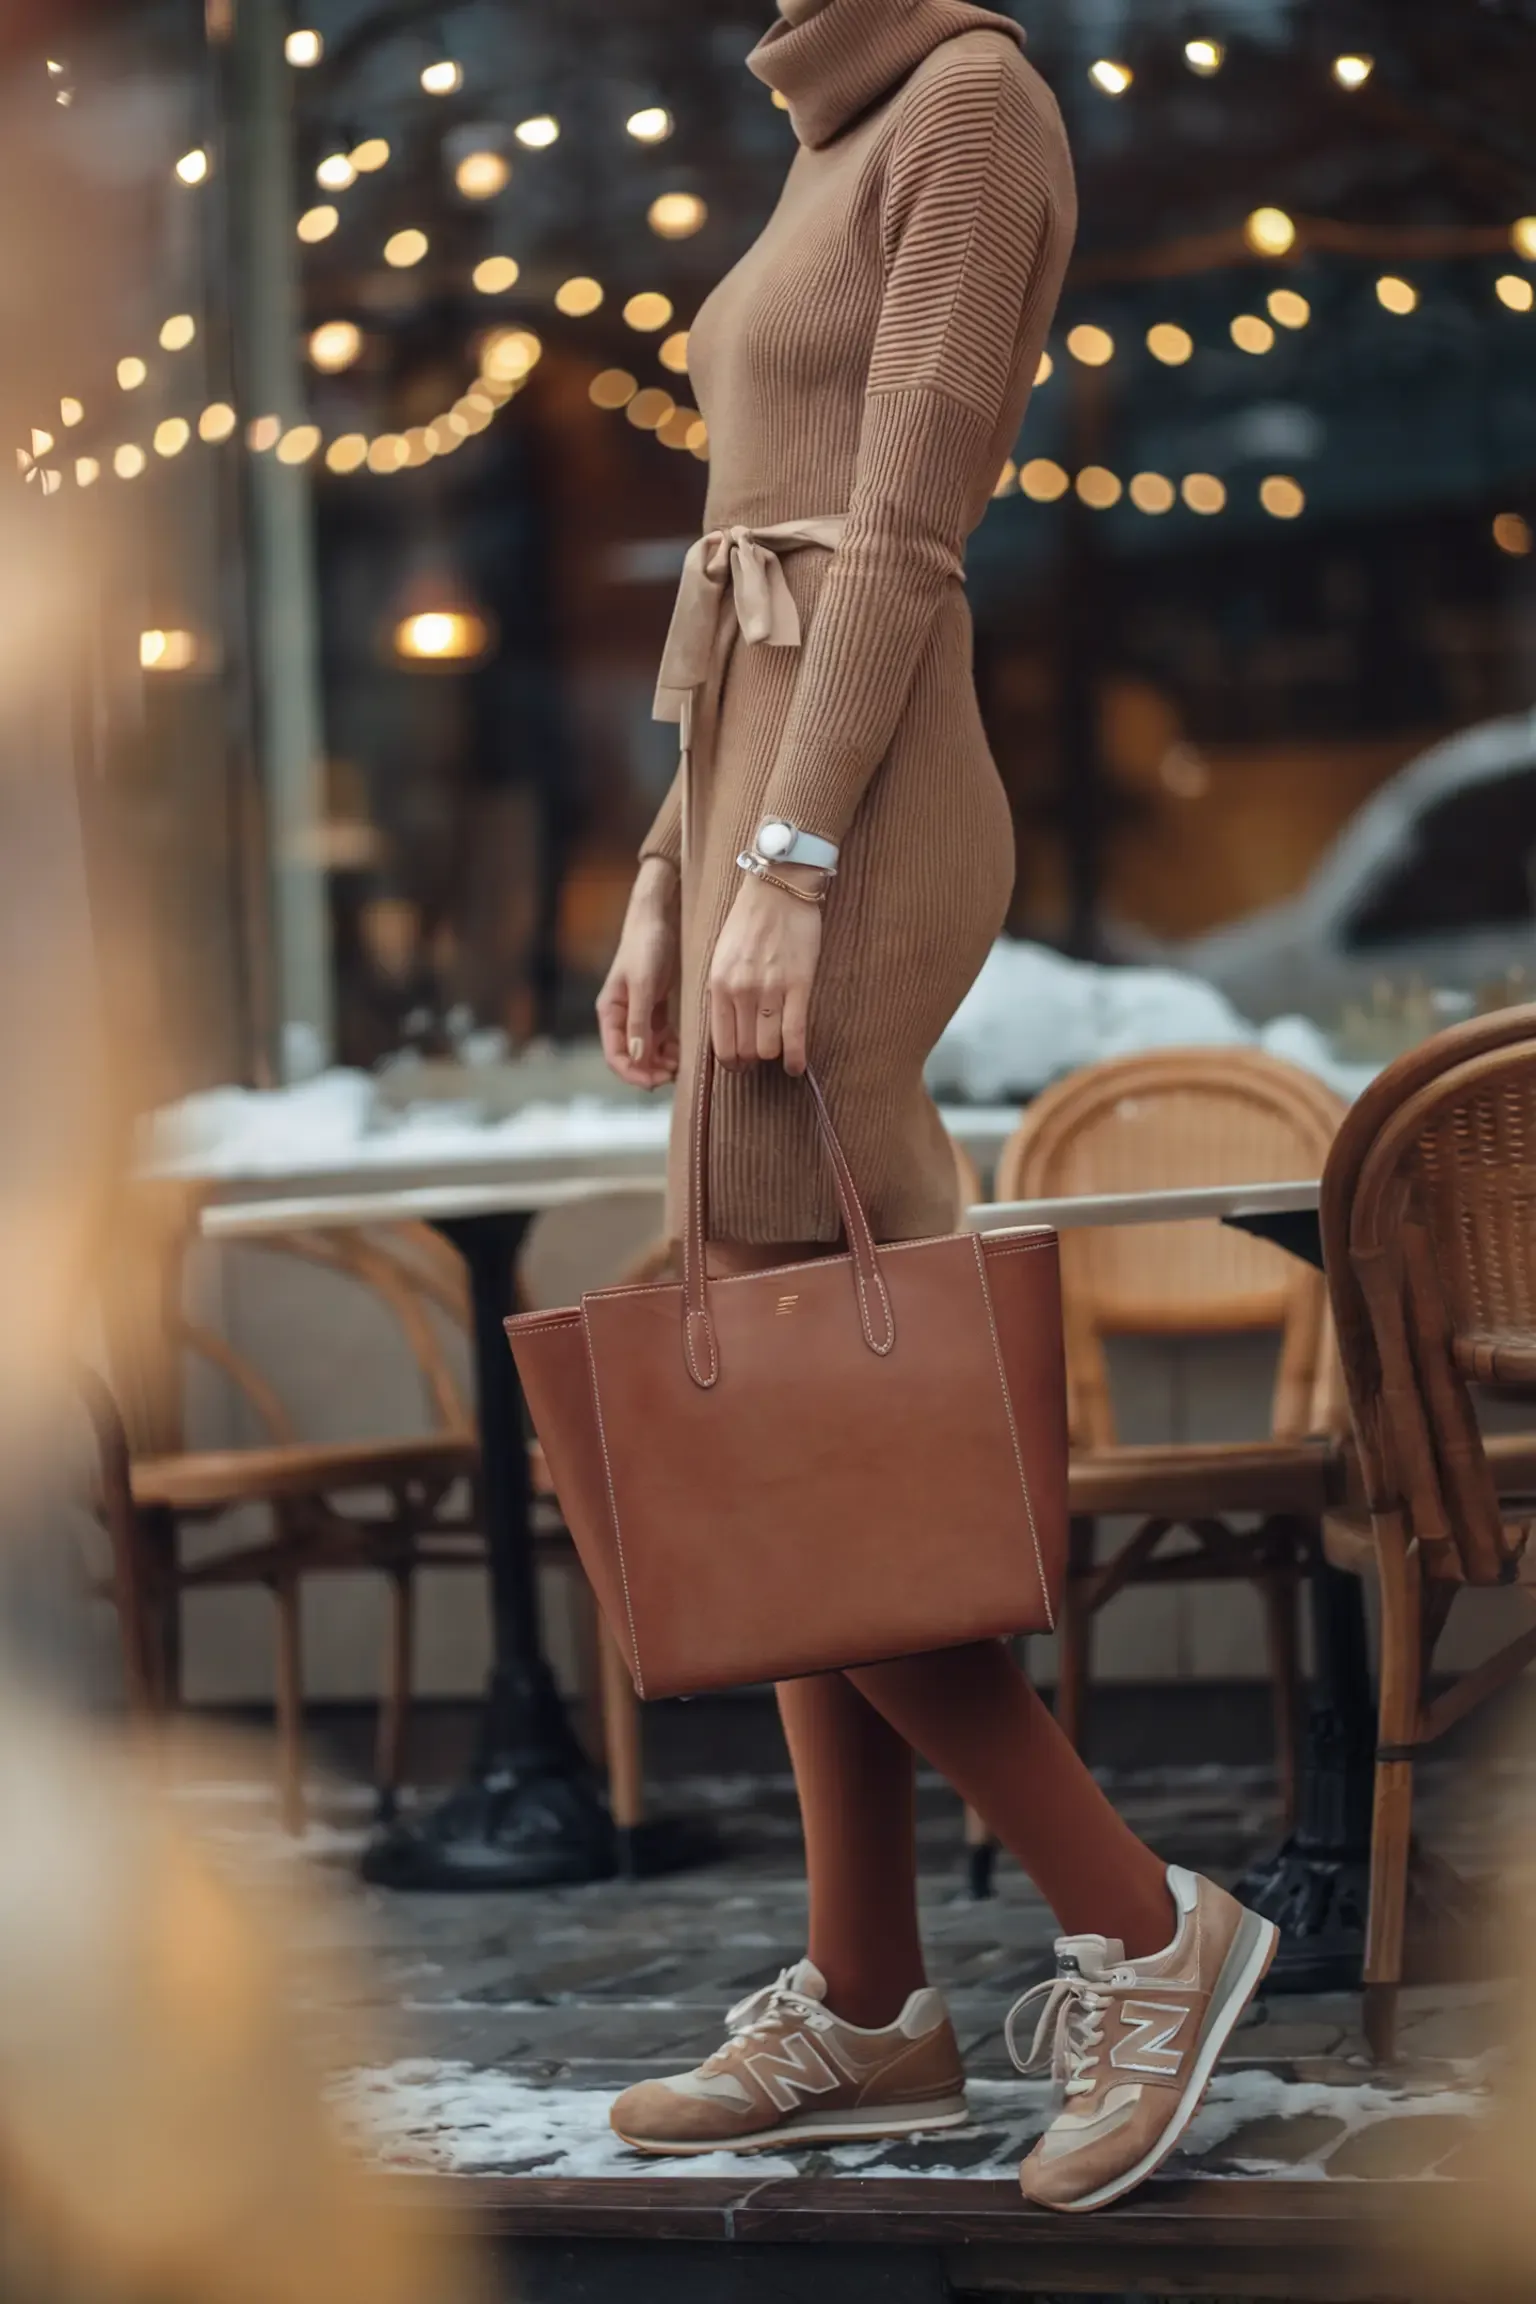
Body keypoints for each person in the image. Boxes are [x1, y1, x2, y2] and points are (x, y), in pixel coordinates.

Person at [594, 0, 1276, 2213]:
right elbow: (738, 545)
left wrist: (785, 865)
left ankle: (1146, 1928)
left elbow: (897, 529)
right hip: (760, 798)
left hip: (869, 801)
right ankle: (872, 2000)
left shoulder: (969, 103)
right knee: (786, 1382)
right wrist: (665, 873)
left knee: (800, 1411)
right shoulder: (823, 126)